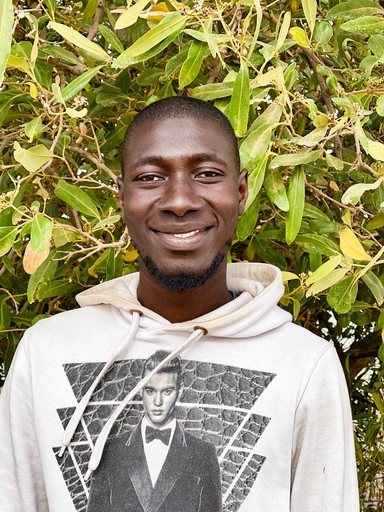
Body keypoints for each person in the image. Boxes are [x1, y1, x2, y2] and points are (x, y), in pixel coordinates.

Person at [0, 96, 359, 512]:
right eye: (151, 177)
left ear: (240, 192)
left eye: (207, 174)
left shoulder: (306, 364)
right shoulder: (44, 351)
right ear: (122, 197)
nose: (180, 201)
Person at [86, 350, 222, 512]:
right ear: (140, 390)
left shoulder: (204, 454)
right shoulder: (110, 450)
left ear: (180, 391)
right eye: (150, 391)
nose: (158, 402)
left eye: (167, 391)